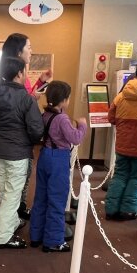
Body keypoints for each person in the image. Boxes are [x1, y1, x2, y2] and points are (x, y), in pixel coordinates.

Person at [0, 56, 44, 249]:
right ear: (19, 73)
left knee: (4, 193)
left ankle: (11, 223)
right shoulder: (27, 99)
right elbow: (36, 131)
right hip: (17, 154)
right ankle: (2, 237)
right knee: (12, 195)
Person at [30, 81, 87, 252]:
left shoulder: (45, 115)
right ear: (64, 100)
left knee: (41, 198)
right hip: (58, 159)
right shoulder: (62, 118)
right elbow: (75, 138)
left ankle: (36, 236)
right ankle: (53, 241)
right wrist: (82, 124)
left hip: (44, 155)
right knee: (57, 200)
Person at [0, 33, 51, 220]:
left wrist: (41, 82)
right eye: (29, 47)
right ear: (18, 50)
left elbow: (25, 94)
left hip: (16, 140)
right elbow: (17, 101)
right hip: (15, 139)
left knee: (15, 182)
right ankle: (8, 222)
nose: (31, 51)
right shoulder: (7, 74)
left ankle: (16, 211)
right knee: (12, 184)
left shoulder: (17, 72)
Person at [105, 64, 137, 221]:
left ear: (136, 75)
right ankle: (129, 210)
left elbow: (111, 118)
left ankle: (111, 210)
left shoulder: (120, 96)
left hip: (122, 144)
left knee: (120, 175)